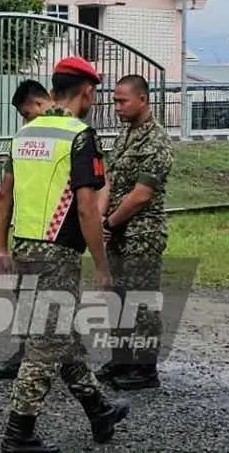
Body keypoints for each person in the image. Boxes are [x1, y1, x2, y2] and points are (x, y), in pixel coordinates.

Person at [0, 56, 129, 453]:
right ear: (87, 91)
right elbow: (88, 208)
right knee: (45, 344)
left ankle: (99, 410)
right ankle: (17, 435)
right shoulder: (80, 136)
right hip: (57, 253)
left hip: (23, 248)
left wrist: (0, 247)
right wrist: (102, 266)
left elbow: (6, 194)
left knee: (62, 339)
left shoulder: (24, 134)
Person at [96, 74, 173, 390]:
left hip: (141, 234)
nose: (116, 106)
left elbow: (143, 194)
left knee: (141, 302)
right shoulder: (126, 136)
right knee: (118, 298)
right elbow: (110, 181)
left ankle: (144, 369)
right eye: (114, 100)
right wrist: (101, 218)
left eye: (122, 100)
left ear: (143, 99)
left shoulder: (156, 140)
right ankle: (121, 359)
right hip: (116, 233)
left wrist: (109, 222)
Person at [0, 79, 54, 380]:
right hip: (29, 237)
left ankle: (51, 363)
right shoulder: (24, 140)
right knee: (29, 299)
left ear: (42, 104)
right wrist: (1, 246)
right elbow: (6, 193)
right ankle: (27, 353)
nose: (25, 122)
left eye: (27, 114)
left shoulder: (70, 138)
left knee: (53, 306)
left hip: (56, 238)